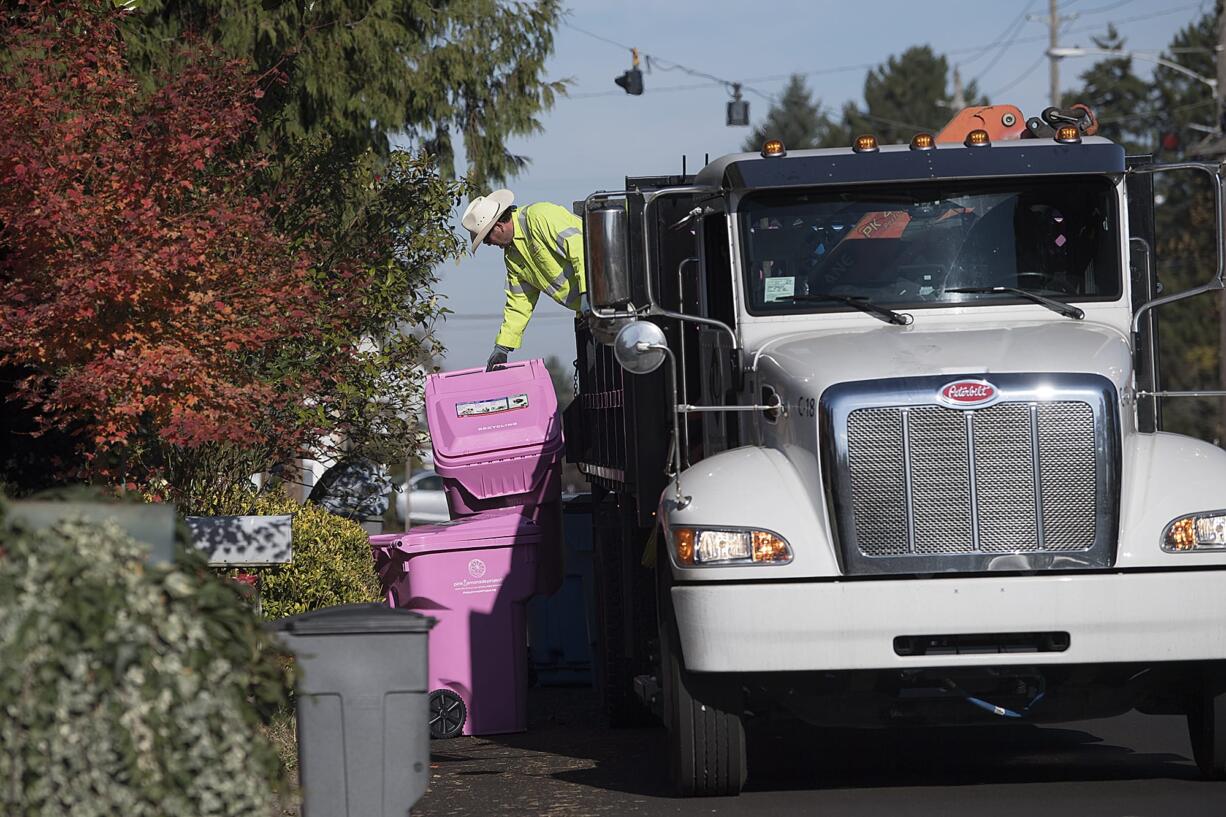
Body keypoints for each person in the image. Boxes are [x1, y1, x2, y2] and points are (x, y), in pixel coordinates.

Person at [461, 189, 585, 370]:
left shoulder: (540, 217)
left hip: (615, 297)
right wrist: (502, 346)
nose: (489, 245)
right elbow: (519, 303)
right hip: (591, 312)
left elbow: (581, 251)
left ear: (498, 226)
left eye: (487, 239)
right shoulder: (512, 257)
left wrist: (589, 294)